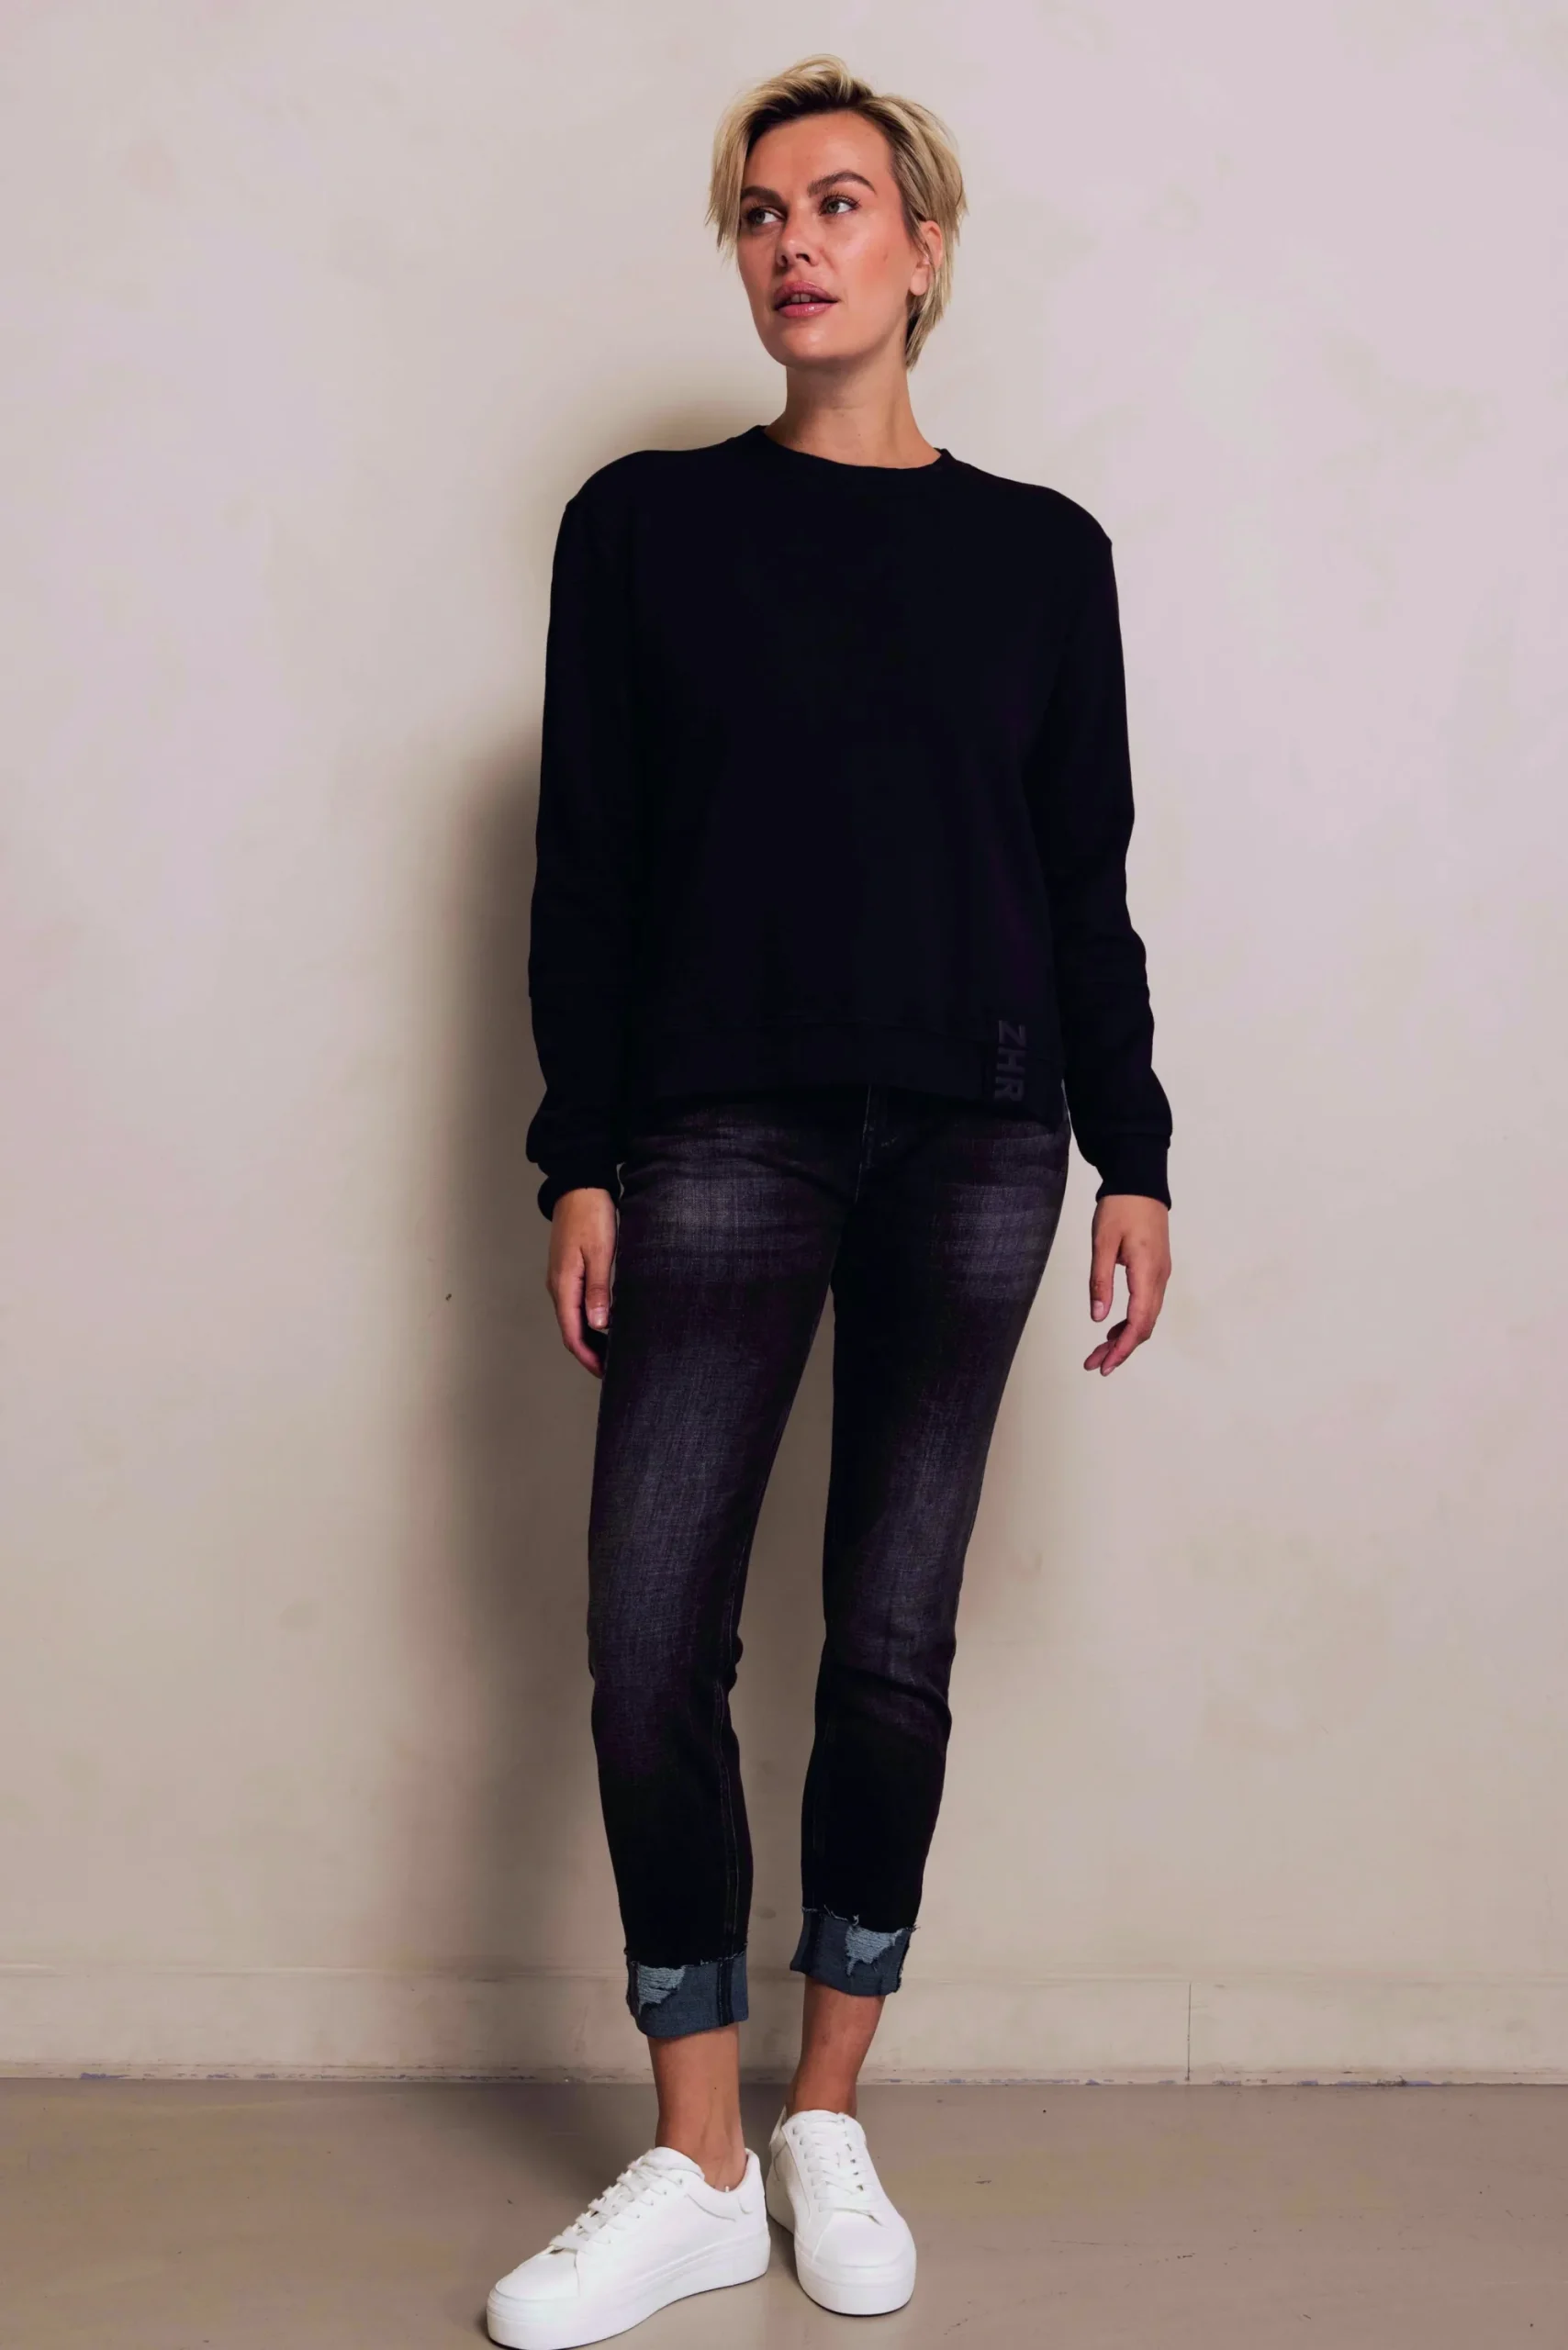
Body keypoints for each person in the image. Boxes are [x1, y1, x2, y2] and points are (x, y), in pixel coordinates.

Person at [486, 51, 1173, 2350]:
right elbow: (586, 868)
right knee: (648, 1641)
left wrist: (1133, 1145)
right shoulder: (643, 528)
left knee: (889, 1640)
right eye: (762, 211)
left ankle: (822, 2111)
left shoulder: (1043, 558)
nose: (796, 240)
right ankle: (695, 2157)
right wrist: (578, 1151)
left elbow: (1080, 880)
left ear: (922, 251)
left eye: (840, 202)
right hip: (718, 1124)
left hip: (980, 1129)